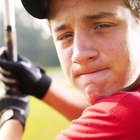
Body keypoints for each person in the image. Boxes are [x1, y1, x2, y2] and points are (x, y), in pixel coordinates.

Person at [0, 0, 140, 139]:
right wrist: (40, 84)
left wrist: (12, 116)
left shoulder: (124, 115)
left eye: (102, 26)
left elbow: (116, 115)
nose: (79, 54)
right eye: (65, 36)